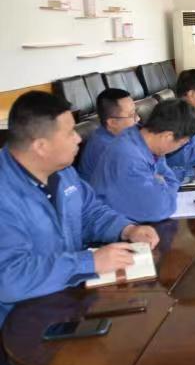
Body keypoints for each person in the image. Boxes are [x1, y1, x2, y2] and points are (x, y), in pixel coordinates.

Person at [0, 91, 160, 328]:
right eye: (69, 133)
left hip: (68, 300)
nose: (78, 139)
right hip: (21, 324)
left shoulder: (63, 171)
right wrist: (88, 263)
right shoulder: (5, 195)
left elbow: (90, 212)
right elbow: (9, 279)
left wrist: (127, 229)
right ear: (41, 146)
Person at [91, 99, 195, 223]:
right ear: (167, 136)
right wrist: (161, 184)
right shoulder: (129, 157)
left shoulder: (147, 143)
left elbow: (172, 180)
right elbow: (159, 208)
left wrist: (160, 183)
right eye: (181, 144)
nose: (179, 147)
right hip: (111, 227)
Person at [77, 88, 138, 180]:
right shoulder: (108, 149)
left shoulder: (119, 134)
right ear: (112, 122)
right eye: (131, 115)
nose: (138, 118)